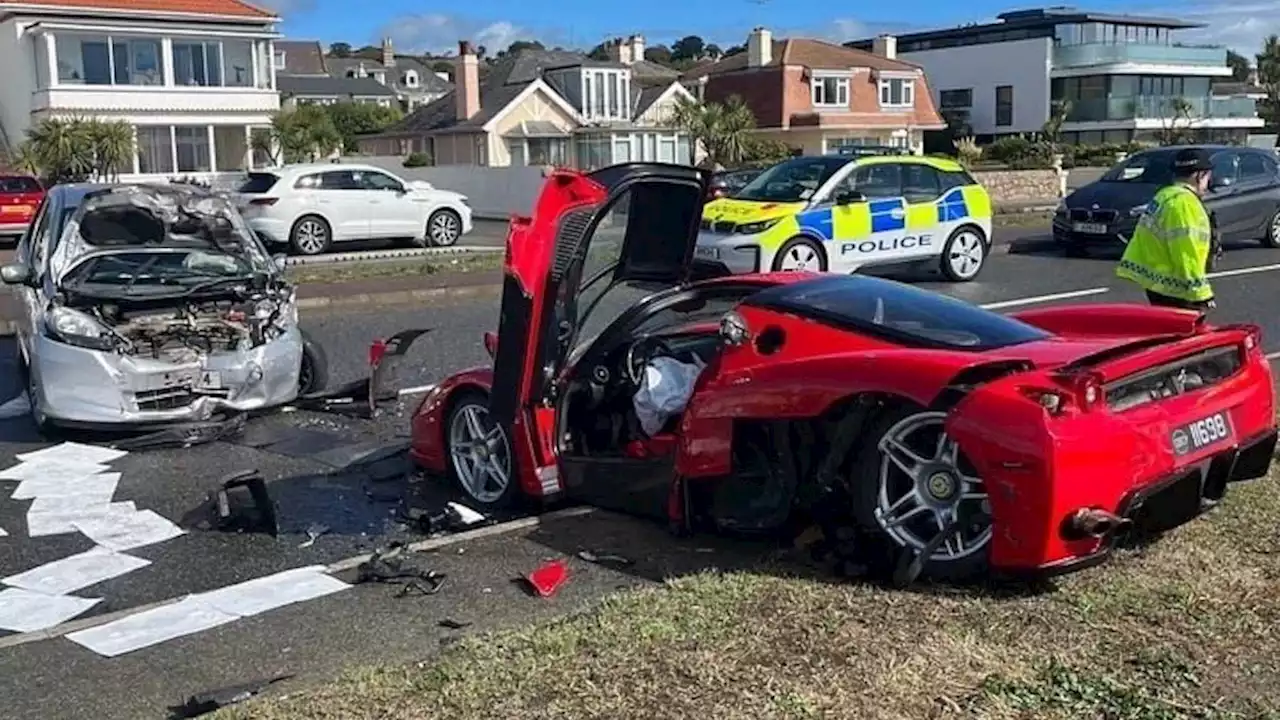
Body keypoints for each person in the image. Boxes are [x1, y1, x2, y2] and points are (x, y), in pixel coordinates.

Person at [1115, 147, 1217, 311]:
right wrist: (1201, 293)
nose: (1208, 185)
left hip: (1156, 284)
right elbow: (1186, 251)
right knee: (1187, 334)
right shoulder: (1185, 203)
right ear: (1200, 175)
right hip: (1178, 288)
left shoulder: (1164, 196)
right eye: (1208, 178)